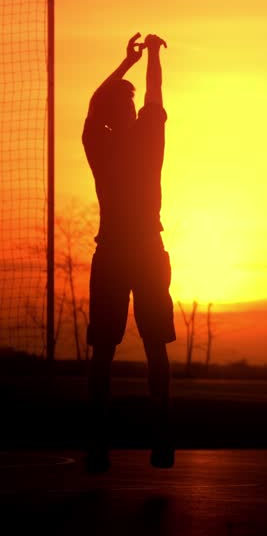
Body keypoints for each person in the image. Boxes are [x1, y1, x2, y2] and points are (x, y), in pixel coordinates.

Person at [82, 32, 176, 473]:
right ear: (123, 112)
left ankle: (137, 440)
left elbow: (96, 102)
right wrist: (149, 57)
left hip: (126, 251)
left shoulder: (100, 144)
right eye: (127, 103)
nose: (133, 106)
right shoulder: (142, 137)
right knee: (125, 347)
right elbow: (151, 94)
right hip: (132, 249)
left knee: (134, 347)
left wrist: (128, 64)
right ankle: (121, 440)